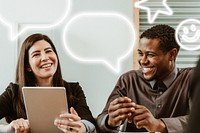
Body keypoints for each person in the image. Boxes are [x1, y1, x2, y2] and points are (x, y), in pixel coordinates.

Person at [96, 24, 194, 133]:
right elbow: (100, 121)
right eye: (140, 54)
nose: (143, 61)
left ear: (172, 54)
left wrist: (159, 125)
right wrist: (110, 121)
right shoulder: (128, 80)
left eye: (151, 55)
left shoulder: (192, 79)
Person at [0, 33, 96, 133]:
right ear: (28, 66)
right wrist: (9, 128)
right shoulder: (14, 92)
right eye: (36, 54)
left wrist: (79, 127)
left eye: (48, 51)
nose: (45, 58)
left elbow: (89, 122)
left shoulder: (73, 89)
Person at [185, 58, 200, 133]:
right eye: (142, 54)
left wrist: (161, 123)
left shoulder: (188, 76)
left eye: (151, 55)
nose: (143, 61)